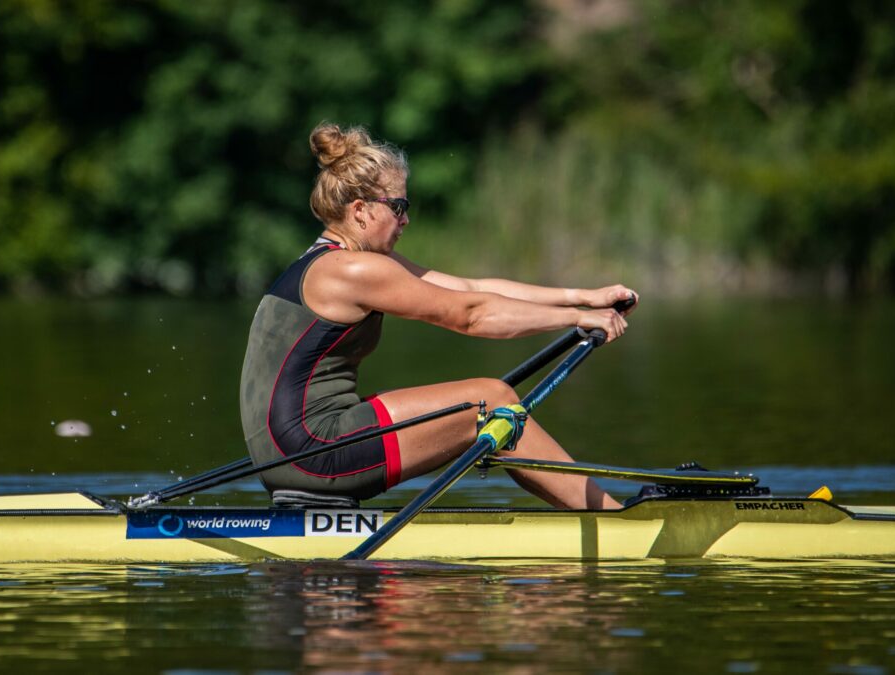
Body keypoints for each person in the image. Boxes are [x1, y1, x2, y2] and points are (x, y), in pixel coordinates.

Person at [239, 123, 637, 510]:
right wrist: (575, 319)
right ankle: (612, 518)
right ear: (360, 211)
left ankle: (600, 512)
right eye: (398, 207)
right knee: (491, 400)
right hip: (313, 451)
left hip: (289, 455)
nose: (406, 220)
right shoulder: (352, 271)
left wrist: (584, 297)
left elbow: (468, 289)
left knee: (490, 399)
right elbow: (471, 316)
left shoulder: (337, 263)